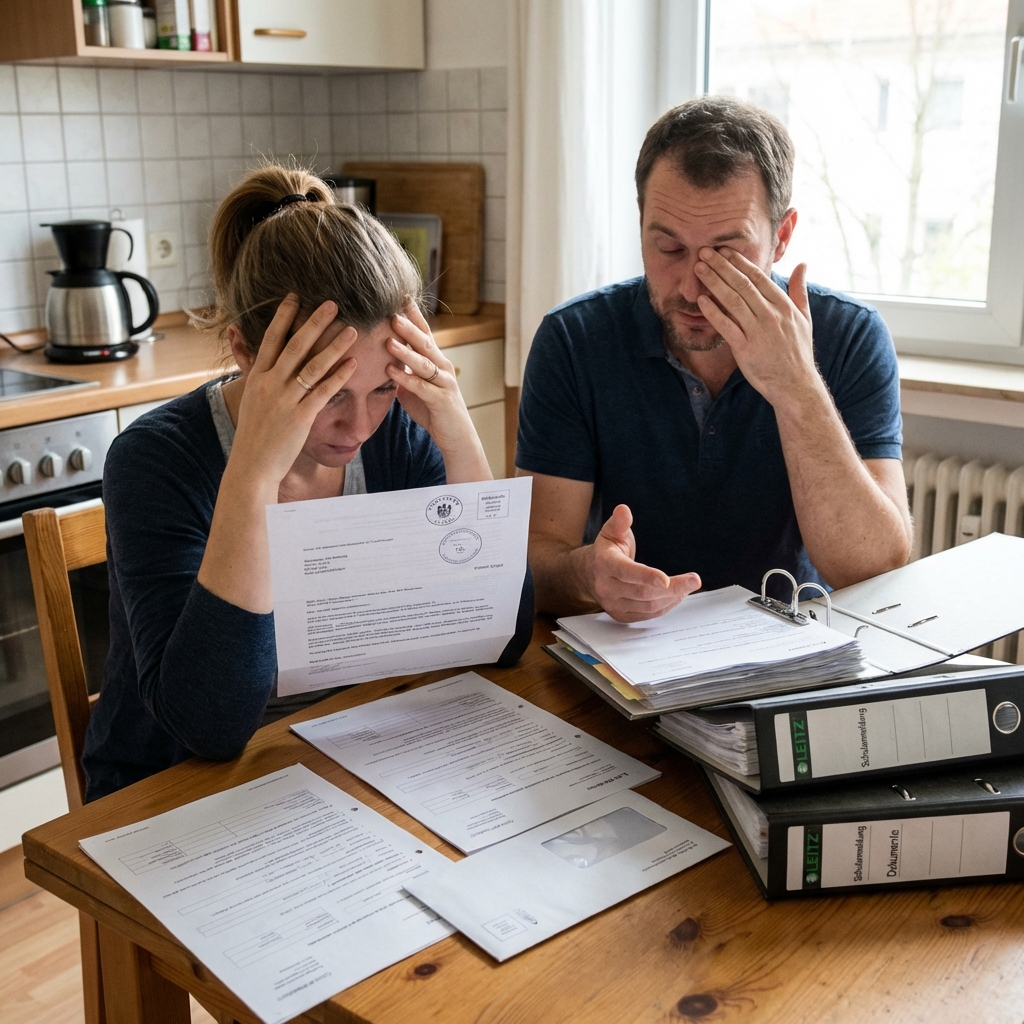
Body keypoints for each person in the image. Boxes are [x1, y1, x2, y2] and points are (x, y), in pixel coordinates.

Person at [82, 165, 533, 802]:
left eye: (383, 388)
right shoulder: (156, 461)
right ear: (245, 353)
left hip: (351, 751)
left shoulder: (398, 432)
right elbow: (209, 727)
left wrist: (455, 431)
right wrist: (254, 474)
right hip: (176, 784)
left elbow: (504, 638)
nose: (359, 426)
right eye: (327, 393)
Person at [516, 96, 912, 623]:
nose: (692, 287)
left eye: (726, 254)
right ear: (640, 223)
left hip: (793, 649)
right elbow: (536, 564)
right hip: (627, 654)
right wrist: (591, 575)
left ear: (782, 237)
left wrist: (796, 384)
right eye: (669, 248)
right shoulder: (574, 339)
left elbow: (873, 570)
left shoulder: (851, 336)